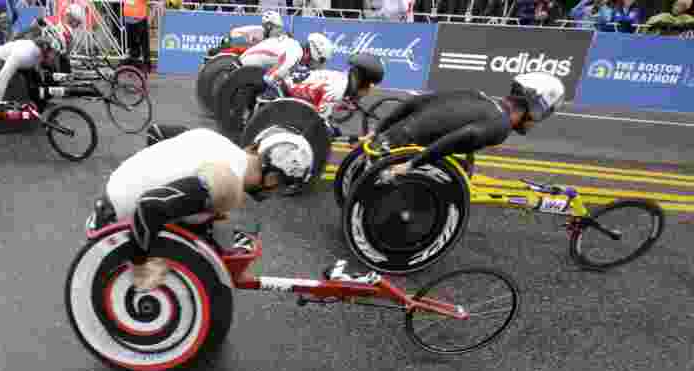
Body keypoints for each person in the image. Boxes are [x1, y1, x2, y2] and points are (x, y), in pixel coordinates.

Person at [92, 126, 314, 291]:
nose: (274, 194)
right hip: (114, 226)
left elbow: (157, 132)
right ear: (273, 179)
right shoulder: (228, 182)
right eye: (279, 187)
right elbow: (151, 205)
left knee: (204, 213)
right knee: (169, 275)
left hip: (111, 196)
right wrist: (141, 264)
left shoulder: (217, 140)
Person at [360, 72, 565, 186]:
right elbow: (466, 135)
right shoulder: (501, 127)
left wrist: (377, 130)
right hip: (390, 165)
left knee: (459, 162)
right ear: (533, 109)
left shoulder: (477, 95)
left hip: (382, 145)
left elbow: (416, 101)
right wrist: (411, 165)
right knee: (449, 182)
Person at [283, 53, 386, 138]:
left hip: (293, 92)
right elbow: (318, 123)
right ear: (361, 82)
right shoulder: (338, 88)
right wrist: (348, 137)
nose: (368, 92)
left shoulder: (342, 79)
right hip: (285, 93)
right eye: (368, 86)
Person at [0, 23, 66, 107]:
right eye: (56, 54)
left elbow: (37, 66)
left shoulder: (38, 52)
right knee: (30, 82)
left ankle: (39, 103)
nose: (55, 58)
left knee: (39, 77)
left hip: (20, 62)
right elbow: (2, 78)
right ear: (46, 48)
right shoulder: (26, 54)